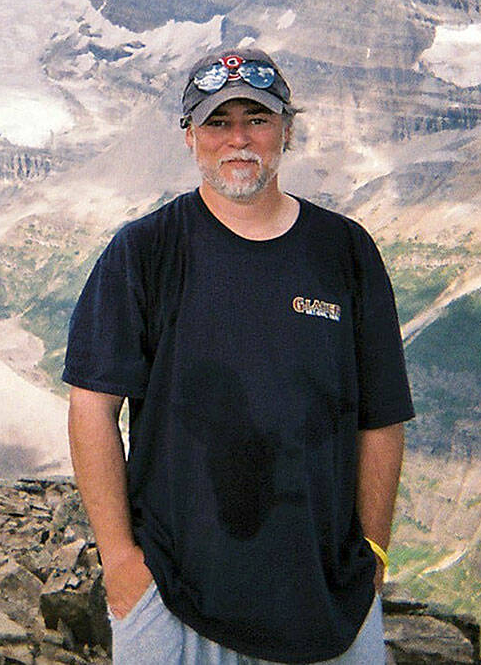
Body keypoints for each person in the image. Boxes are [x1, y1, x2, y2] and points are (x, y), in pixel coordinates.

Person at [63, 47, 413, 664]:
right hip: (173, 602)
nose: (239, 139)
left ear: (288, 130)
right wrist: (120, 563)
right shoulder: (145, 251)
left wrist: (374, 556)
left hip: (328, 605)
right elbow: (92, 407)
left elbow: (381, 418)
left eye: (257, 118)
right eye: (218, 122)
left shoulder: (346, 251)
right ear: (190, 136)